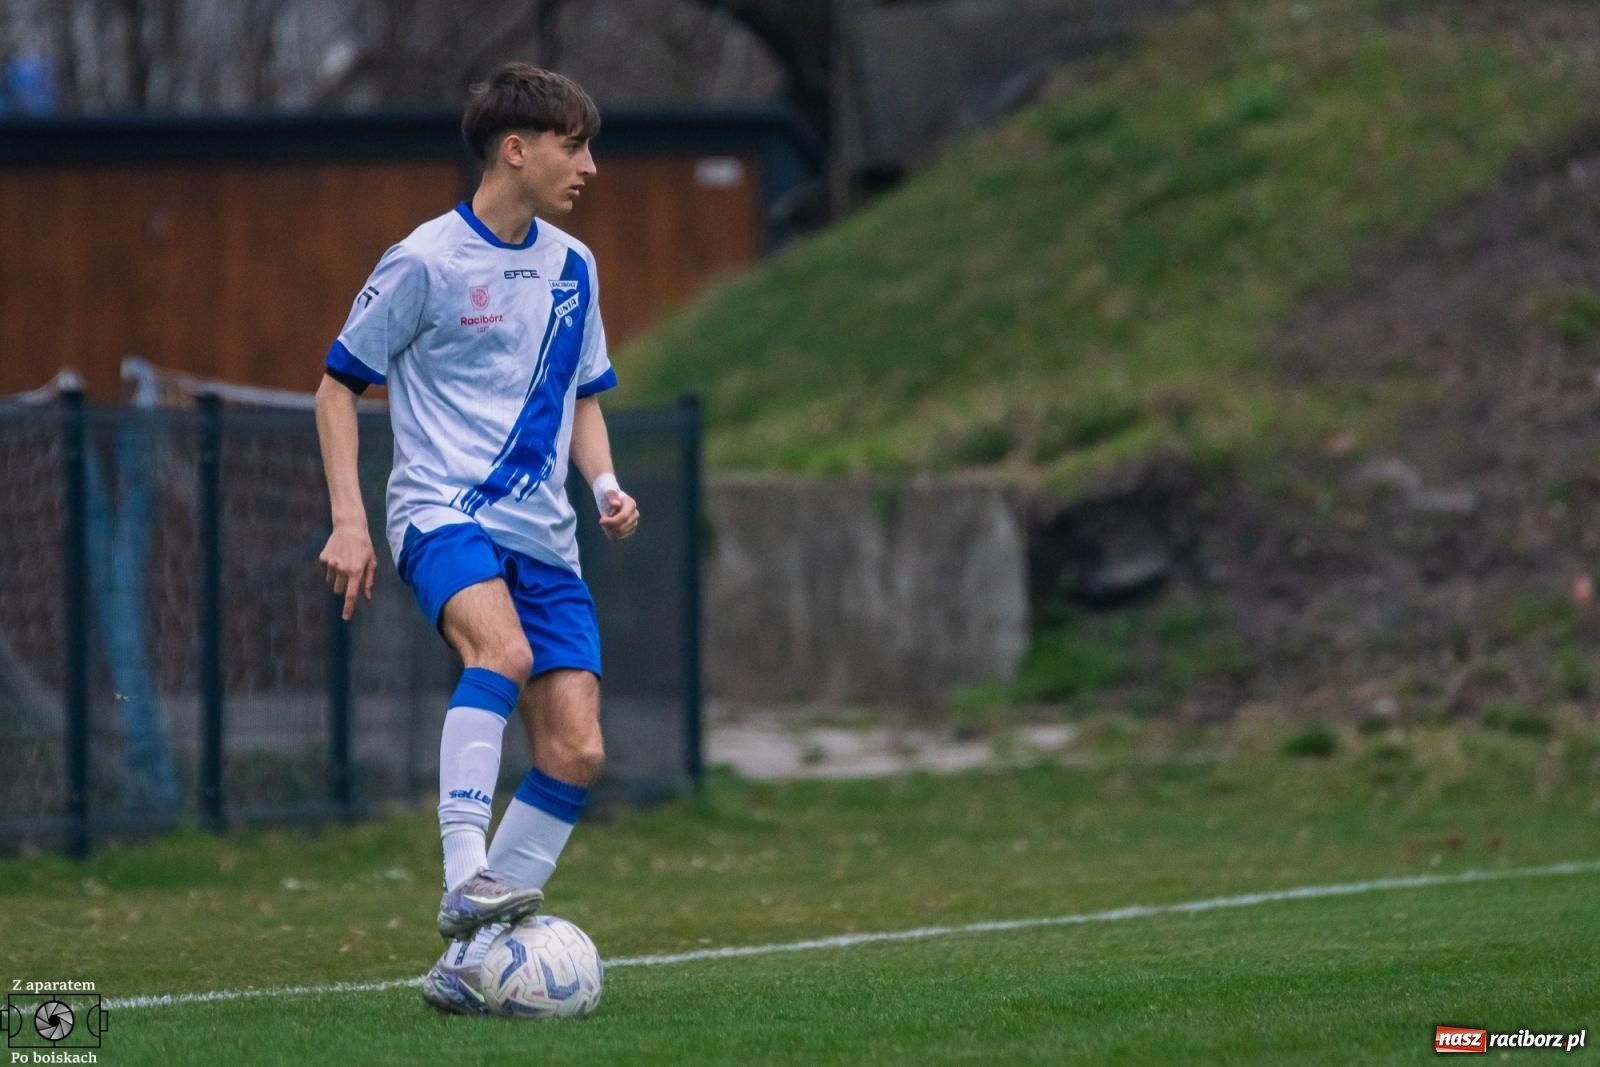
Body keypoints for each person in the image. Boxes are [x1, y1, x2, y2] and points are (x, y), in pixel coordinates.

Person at [313, 63, 639, 1015]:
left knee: (575, 750)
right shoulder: (422, 260)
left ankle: (470, 959)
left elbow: (583, 395)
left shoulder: (575, 266)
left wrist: (607, 484)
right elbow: (338, 386)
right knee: (502, 650)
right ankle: (468, 876)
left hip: (545, 536)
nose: (589, 166)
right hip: (441, 511)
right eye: (575, 146)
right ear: (517, 149)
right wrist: (350, 519)